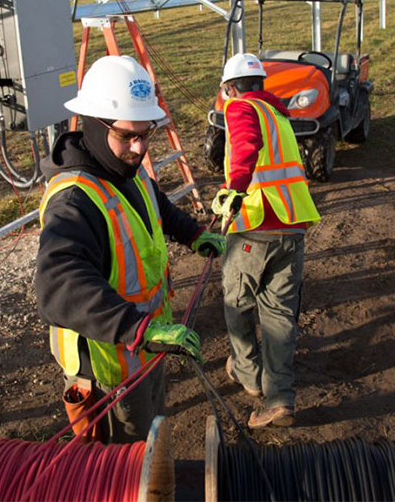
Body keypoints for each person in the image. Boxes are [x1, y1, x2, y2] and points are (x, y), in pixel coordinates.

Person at [35, 55, 225, 443]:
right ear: (91, 122)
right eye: (127, 135)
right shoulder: (74, 200)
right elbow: (56, 286)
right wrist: (137, 328)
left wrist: (192, 234)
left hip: (145, 344)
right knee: (129, 460)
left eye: (146, 134)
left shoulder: (125, 170)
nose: (139, 148)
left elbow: (155, 204)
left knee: (154, 434)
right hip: (111, 372)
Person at [212, 52, 321, 428]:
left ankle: (247, 372)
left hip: (255, 225)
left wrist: (233, 193)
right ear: (261, 84)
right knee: (279, 316)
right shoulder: (278, 114)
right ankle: (279, 398)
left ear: (229, 88)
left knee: (235, 303)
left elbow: (245, 147)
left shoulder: (240, 108)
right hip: (292, 226)